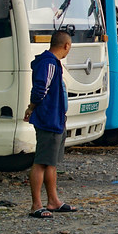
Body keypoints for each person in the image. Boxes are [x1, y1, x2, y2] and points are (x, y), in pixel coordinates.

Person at [24, 31, 78, 219]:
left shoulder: (51, 62)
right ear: (66, 46)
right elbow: (40, 89)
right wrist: (32, 107)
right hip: (49, 118)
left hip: (55, 119)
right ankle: (36, 205)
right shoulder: (48, 63)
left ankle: (53, 200)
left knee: (51, 163)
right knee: (41, 162)